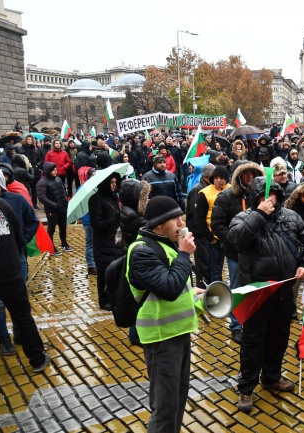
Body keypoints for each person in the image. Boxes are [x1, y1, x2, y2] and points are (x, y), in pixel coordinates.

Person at [229, 177, 304, 413]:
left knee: (279, 337)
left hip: (284, 290)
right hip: (256, 293)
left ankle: (271, 377)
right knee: (253, 341)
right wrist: (259, 214)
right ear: (254, 198)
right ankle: (246, 388)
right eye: (263, 196)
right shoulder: (243, 219)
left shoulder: (291, 216)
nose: (269, 200)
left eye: (273, 195)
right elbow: (237, 240)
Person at [127, 196, 205, 433]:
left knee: (177, 400)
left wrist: (196, 295)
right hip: (161, 339)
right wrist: (184, 255)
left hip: (179, 333)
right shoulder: (141, 251)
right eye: (176, 218)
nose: (182, 223)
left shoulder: (165, 244)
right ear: (159, 224)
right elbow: (169, 288)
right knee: (164, 407)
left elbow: (176, 287)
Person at [211, 161, 264, 343]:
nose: (250, 176)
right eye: (246, 173)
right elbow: (217, 224)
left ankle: (252, 321)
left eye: (253, 172)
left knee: (256, 287)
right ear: (238, 176)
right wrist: (234, 240)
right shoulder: (226, 196)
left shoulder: (261, 195)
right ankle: (235, 325)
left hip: (258, 252)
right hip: (235, 254)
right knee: (236, 288)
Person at [0, 195, 51, 373]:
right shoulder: (3, 204)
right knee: (23, 316)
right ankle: (37, 359)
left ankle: (37, 358)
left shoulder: (3, 204)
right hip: (10, 270)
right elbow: (18, 236)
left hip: (9, 270)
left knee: (23, 316)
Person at [118, 178, 150, 346]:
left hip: (131, 253)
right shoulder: (133, 216)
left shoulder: (129, 210)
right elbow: (148, 228)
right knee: (138, 299)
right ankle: (136, 335)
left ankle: (135, 333)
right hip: (136, 255)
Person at [89, 173, 123, 311]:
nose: (114, 185)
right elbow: (97, 224)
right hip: (103, 243)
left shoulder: (114, 197)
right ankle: (103, 300)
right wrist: (115, 218)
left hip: (116, 241)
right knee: (103, 273)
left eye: (115, 182)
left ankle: (114, 297)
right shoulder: (95, 199)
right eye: (111, 182)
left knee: (115, 272)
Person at [194, 165, 230, 287]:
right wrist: (210, 237)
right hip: (215, 238)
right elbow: (199, 218)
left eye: (222, 178)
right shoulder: (204, 193)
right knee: (216, 270)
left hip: (231, 237)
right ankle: (218, 293)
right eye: (216, 177)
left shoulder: (232, 190)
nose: (219, 180)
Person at [37, 162, 71, 256]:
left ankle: (64, 243)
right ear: (48, 171)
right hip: (52, 210)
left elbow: (63, 190)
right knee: (51, 229)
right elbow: (42, 197)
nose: (56, 171)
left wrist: (65, 201)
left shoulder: (58, 179)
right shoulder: (42, 182)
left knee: (63, 226)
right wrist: (54, 205)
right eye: (53, 170)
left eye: (56, 169)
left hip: (62, 207)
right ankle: (51, 247)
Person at [17, 133, 43, 208]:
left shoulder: (35, 149)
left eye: (31, 139)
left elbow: (40, 159)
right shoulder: (20, 149)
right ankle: (27, 203)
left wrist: (37, 165)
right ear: (25, 140)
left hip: (34, 170)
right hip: (24, 170)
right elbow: (17, 159)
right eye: (28, 139)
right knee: (25, 188)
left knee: (34, 188)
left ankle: (34, 203)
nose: (30, 141)